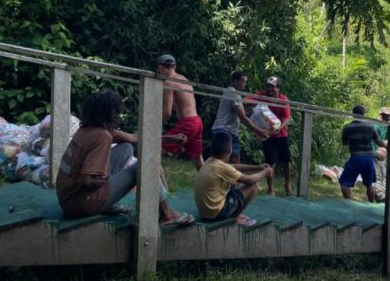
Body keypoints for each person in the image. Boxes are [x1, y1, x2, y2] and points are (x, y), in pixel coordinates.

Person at [56, 89, 194, 226]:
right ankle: (167, 214)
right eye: (115, 111)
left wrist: (168, 139)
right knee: (144, 165)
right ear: (109, 113)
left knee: (126, 148)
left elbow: (133, 138)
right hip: (80, 204)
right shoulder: (102, 136)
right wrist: (104, 178)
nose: (117, 115)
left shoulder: (87, 129)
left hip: (68, 200)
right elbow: (87, 180)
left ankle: (108, 205)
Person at [194, 132, 274, 226]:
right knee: (253, 187)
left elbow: (233, 167)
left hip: (204, 213)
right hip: (216, 214)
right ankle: (235, 217)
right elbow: (251, 180)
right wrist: (265, 172)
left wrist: (257, 167)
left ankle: (232, 212)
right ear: (230, 150)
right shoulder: (222, 168)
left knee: (237, 184)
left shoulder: (210, 161)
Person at [156, 54, 205, 170]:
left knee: (154, 148)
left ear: (161, 67)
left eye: (158, 68)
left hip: (187, 123)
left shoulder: (168, 83)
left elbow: (167, 112)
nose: (158, 71)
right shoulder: (184, 80)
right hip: (197, 121)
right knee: (198, 161)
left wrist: (156, 127)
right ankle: (212, 185)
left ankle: (157, 186)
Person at [212, 71, 268, 163]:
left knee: (235, 160)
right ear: (235, 81)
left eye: (246, 82)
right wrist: (258, 130)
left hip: (230, 130)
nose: (244, 84)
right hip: (223, 129)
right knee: (222, 161)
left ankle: (235, 177)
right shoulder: (233, 94)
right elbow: (242, 117)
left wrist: (254, 111)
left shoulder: (230, 92)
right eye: (243, 81)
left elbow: (240, 114)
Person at [251, 76, 292, 196]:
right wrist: (252, 107)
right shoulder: (261, 95)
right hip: (267, 134)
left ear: (278, 88)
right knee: (270, 162)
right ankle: (270, 189)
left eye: (272, 87)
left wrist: (280, 127)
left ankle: (287, 184)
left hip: (281, 134)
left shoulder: (283, 99)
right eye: (268, 86)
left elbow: (287, 118)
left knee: (286, 161)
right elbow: (246, 99)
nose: (270, 89)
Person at [339, 106, 386, 202]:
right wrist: (388, 146)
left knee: (344, 184)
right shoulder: (370, 126)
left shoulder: (347, 128)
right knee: (369, 184)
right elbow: (379, 142)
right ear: (364, 115)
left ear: (353, 115)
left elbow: (345, 143)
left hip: (356, 156)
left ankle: (349, 202)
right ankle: (371, 204)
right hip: (369, 158)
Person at [372, 106, 390, 201]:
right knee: (377, 175)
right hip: (374, 153)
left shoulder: (387, 126)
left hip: (383, 154)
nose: (389, 117)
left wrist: (385, 148)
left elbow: (388, 139)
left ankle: (380, 194)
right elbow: (372, 140)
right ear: (382, 115)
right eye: (387, 115)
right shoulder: (376, 125)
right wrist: (376, 151)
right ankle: (380, 196)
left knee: (383, 174)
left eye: (389, 115)